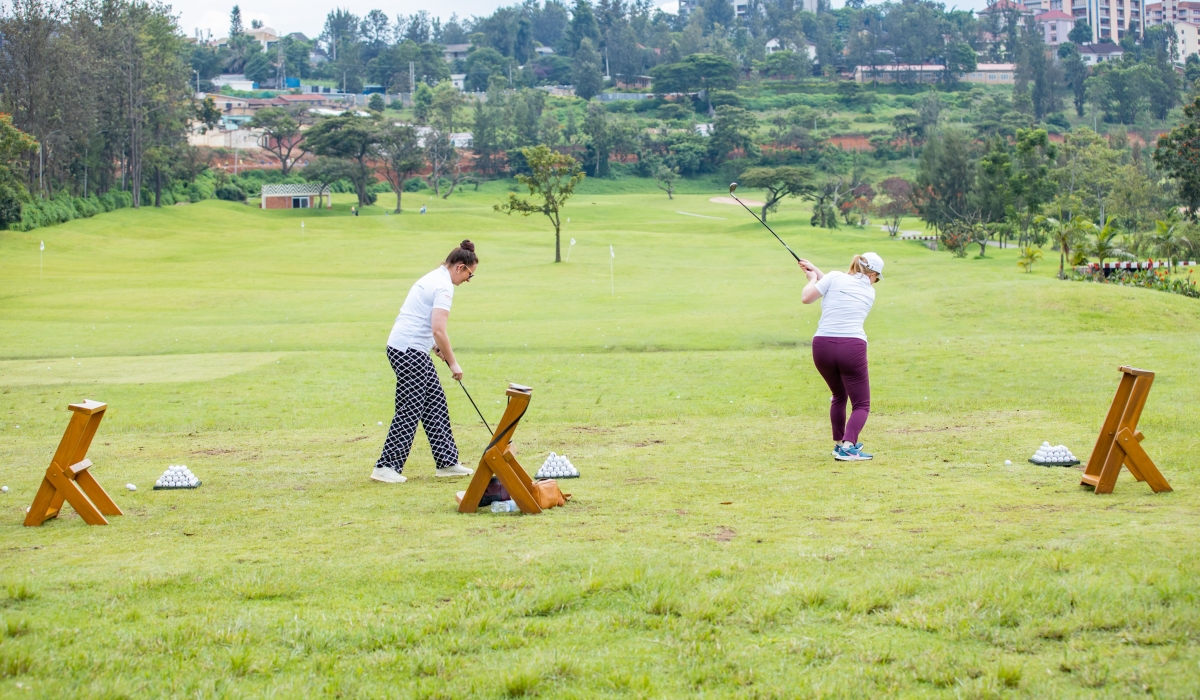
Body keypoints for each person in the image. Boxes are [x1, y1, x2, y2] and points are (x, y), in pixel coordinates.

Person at [371, 240, 479, 483]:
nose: (468, 281)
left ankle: (447, 462)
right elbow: (439, 330)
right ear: (460, 267)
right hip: (409, 350)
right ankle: (386, 466)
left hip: (411, 347)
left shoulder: (434, 277)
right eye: (470, 275)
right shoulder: (443, 287)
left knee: (434, 403)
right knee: (410, 408)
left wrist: (433, 347)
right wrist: (453, 363)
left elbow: (421, 321)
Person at [798, 252, 884, 461]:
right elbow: (819, 292)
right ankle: (848, 446)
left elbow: (813, 293)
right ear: (872, 274)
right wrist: (815, 274)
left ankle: (839, 444)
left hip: (822, 346)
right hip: (851, 347)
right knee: (861, 404)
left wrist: (813, 279)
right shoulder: (869, 291)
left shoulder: (835, 278)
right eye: (877, 278)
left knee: (839, 395)